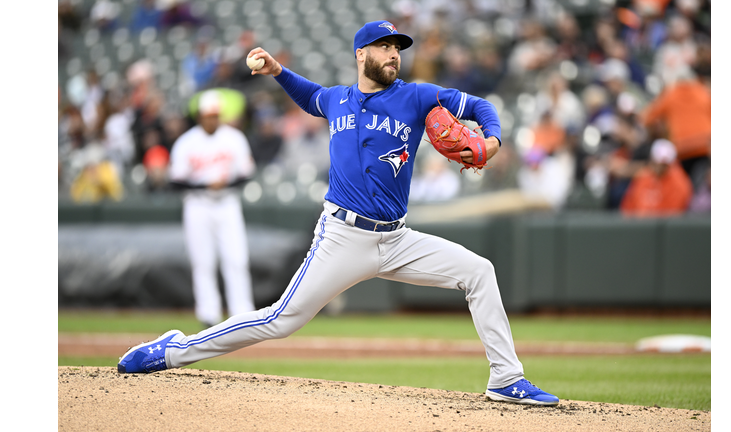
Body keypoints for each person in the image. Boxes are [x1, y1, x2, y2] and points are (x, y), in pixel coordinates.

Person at [117, 21, 560, 407]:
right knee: (279, 321)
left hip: (398, 239)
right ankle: (173, 351)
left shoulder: (419, 96)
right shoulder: (337, 100)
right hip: (343, 238)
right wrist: (277, 72)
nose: (393, 55)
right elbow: (310, 95)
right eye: (385, 47)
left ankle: (506, 378)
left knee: (479, 271)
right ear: (361, 54)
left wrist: (494, 139)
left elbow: (481, 108)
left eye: (398, 48)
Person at [167, 90, 257, 329]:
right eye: (208, 115)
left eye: (215, 115)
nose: (212, 119)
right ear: (199, 116)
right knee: (202, 261)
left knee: (236, 258)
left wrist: (223, 184)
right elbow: (175, 181)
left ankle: (242, 313)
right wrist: (207, 184)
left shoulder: (234, 138)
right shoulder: (187, 142)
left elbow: (246, 174)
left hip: (227, 203)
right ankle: (209, 314)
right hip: (198, 204)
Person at [620, 139, 693, 216]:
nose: (660, 166)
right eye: (657, 162)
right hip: (639, 225)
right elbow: (628, 206)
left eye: (664, 164)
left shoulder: (679, 182)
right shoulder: (643, 177)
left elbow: (674, 213)